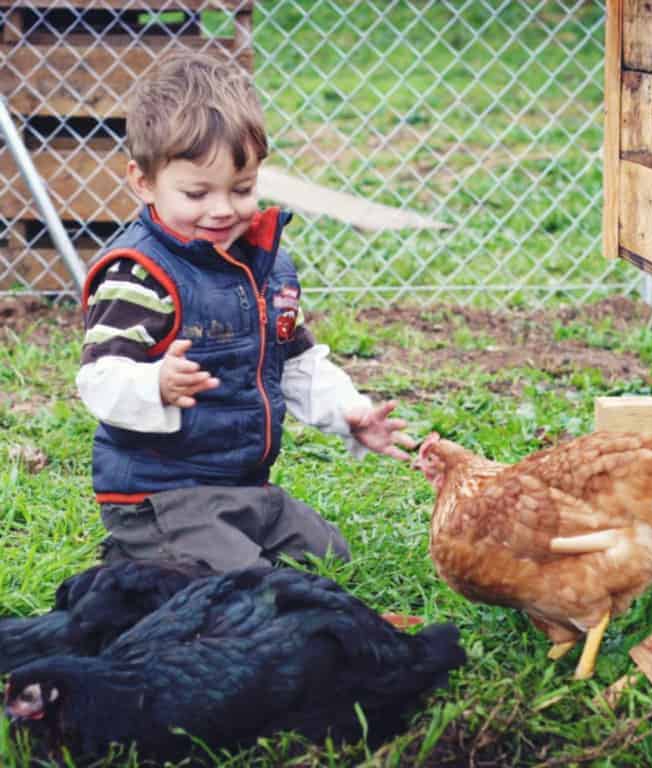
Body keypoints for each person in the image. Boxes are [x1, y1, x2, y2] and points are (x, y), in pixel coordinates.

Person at [76, 51, 416, 573]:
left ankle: (195, 552)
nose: (221, 209)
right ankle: (141, 550)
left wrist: (350, 414)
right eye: (196, 193)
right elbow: (99, 381)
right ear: (143, 182)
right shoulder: (141, 274)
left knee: (328, 557)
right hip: (160, 495)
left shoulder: (267, 265)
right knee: (248, 583)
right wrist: (155, 385)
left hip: (241, 488)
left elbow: (298, 363)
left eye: (242, 190)